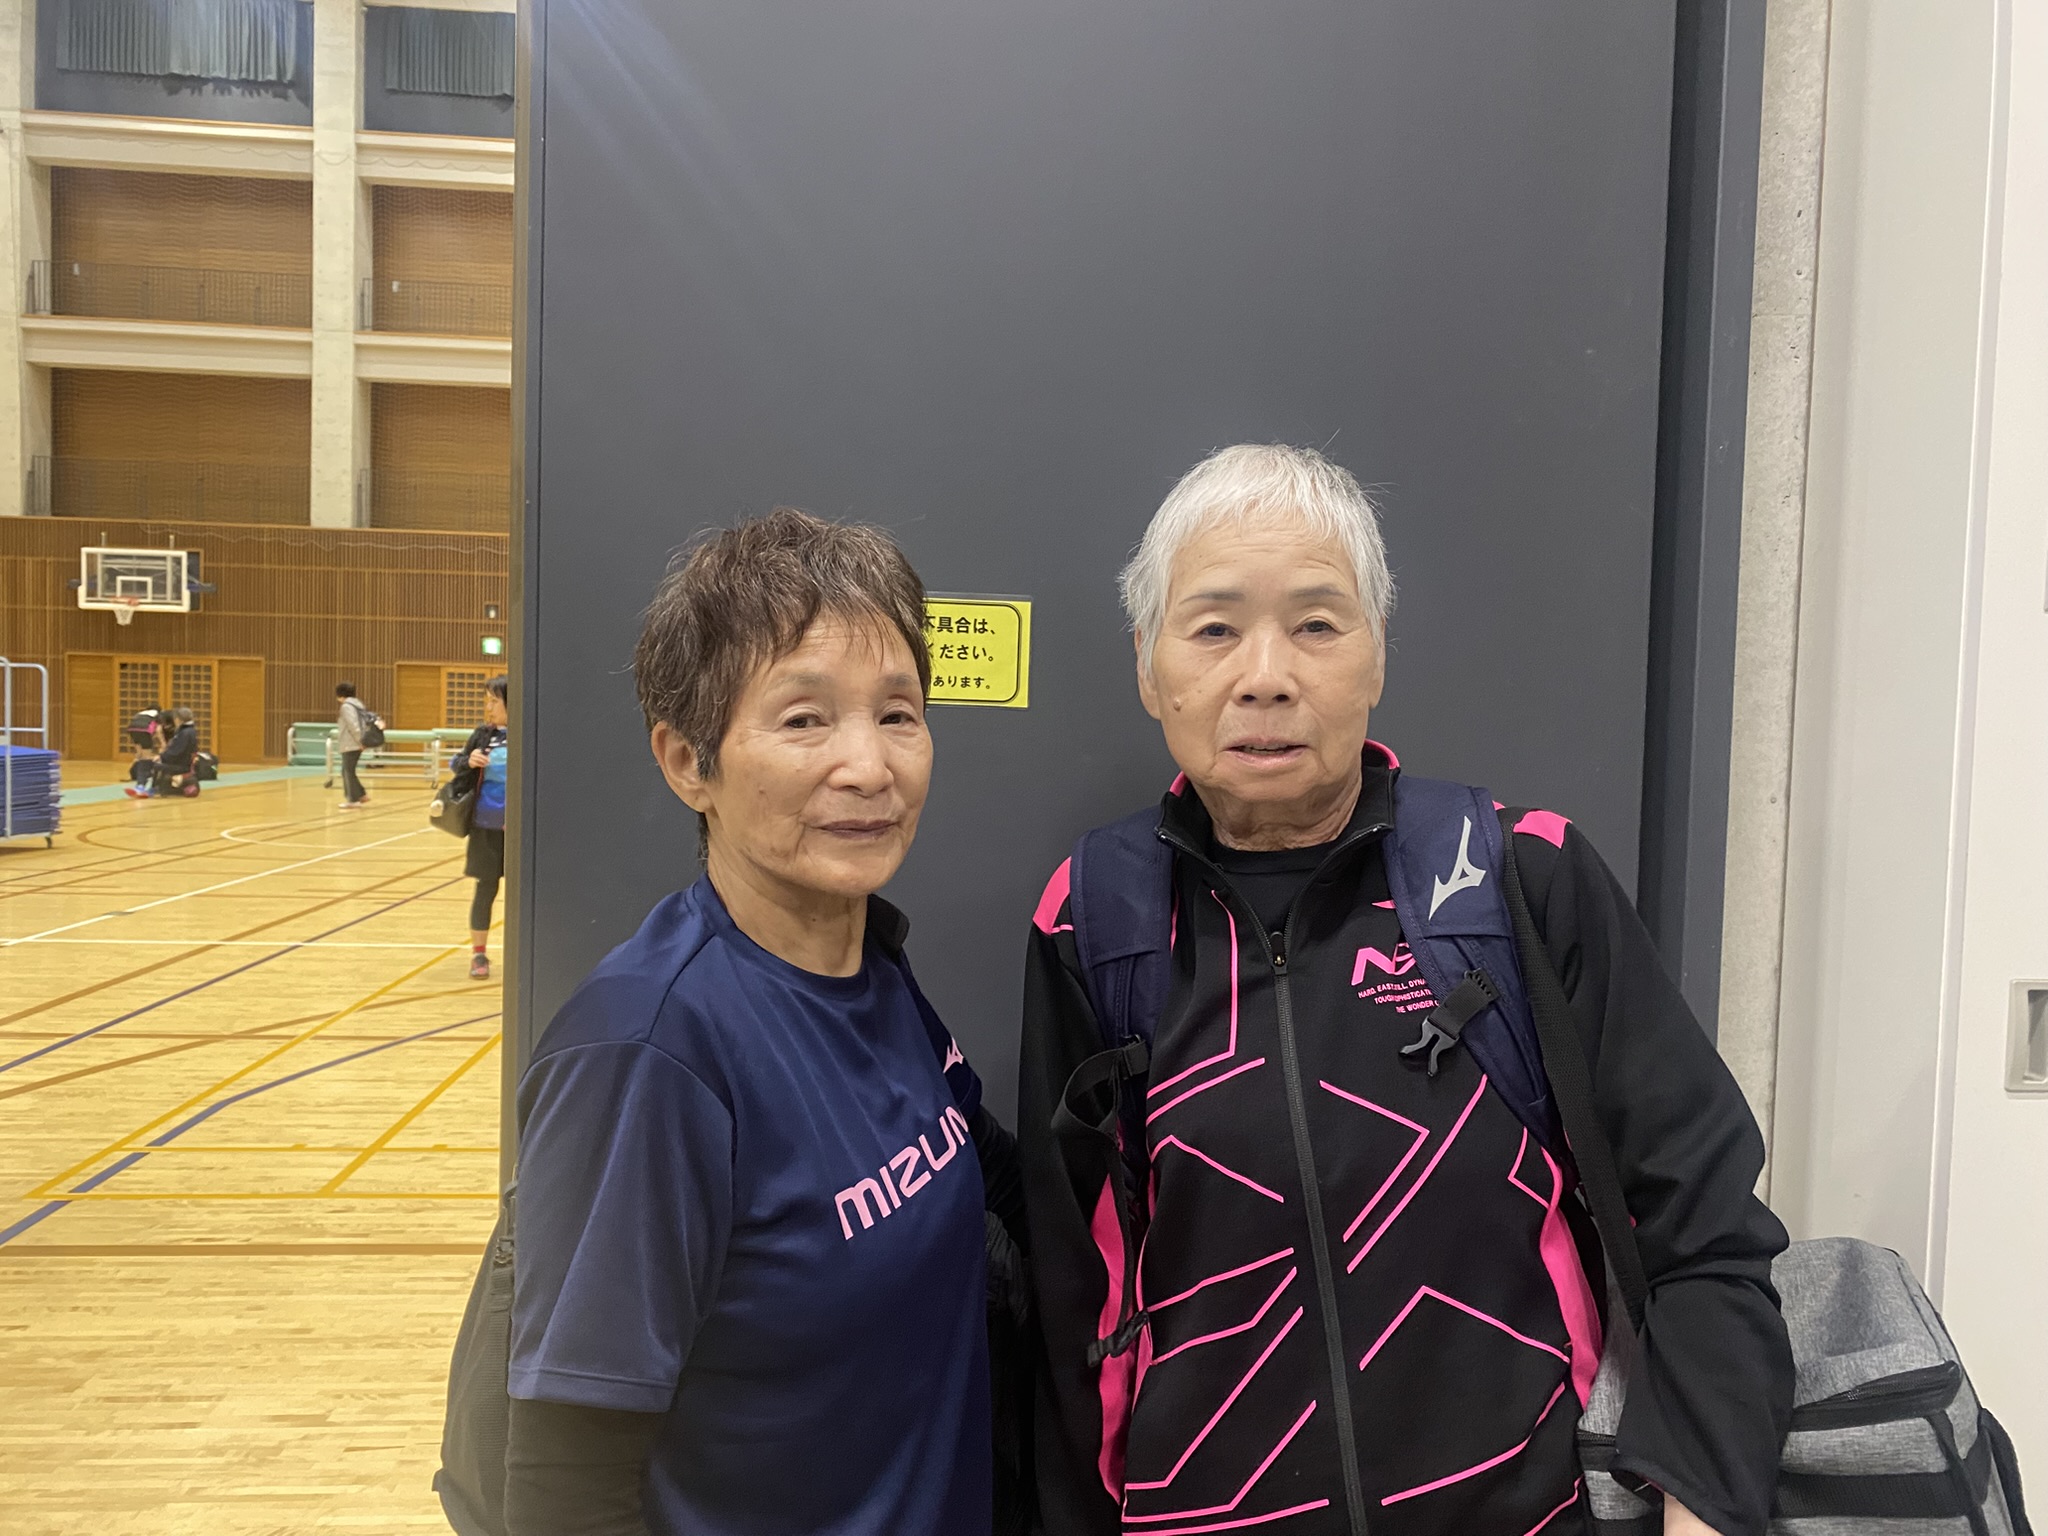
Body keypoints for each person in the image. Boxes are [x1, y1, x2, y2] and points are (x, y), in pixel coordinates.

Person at [1020, 445, 1793, 1536]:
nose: (1265, 675)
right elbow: (1070, 1304)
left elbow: (1704, 1227)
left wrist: (1701, 1505)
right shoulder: (1094, 917)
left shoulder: (1519, 876)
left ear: (1376, 652)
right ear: (1148, 667)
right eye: (1213, 629)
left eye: (1316, 624)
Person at [507, 508, 1024, 1536]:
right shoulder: (648, 1052)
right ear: (686, 762)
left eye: (898, 713)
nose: (868, 767)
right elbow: (564, 1485)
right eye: (803, 720)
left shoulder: (870, 961)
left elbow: (993, 1167)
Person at [446, 675, 509, 980]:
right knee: (485, 889)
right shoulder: (482, 736)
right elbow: (455, 764)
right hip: (486, 828)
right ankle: (479, 954)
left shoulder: (530, 734)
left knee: (526, 895)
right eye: (488, 701)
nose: (489, 707)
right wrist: (467, 761)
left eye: (494, 701)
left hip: (521, 833)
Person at [334, 681, 373, 809]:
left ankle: (353, 799)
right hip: (355, 742)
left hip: (351, 743)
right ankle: (361, 795)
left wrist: (361, 741)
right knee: (347, 770)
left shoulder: (346, 706)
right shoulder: (358, 704)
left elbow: (353, 725)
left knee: (347, 771)